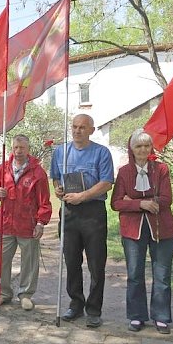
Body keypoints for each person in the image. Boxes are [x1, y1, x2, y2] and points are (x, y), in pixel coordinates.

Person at [111, 128, 173, 334]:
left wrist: (134, 200)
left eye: (146, 145)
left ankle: (161, 317)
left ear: (151, 148)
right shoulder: (124, 172)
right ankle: (137, 316)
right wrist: (142, 204)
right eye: (138, 146)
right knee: (134, 274)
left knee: (162, 274)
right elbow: (116, 203)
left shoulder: (161, 169)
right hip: (133, 231)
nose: (142, 149)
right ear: (132, 149)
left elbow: (166, 200)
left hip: (162, 229)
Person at [50, 114, 114, 328]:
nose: (77, 131)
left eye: (82, 127)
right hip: (68, 213)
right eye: (75, 127)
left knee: (96, 264)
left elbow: (106, 182)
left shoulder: (101, 152)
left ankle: (94, 309)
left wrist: (82, 196)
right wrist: (58, 189)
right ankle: (75, 304)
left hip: (92, 213)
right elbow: (56, 177)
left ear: (91, 130)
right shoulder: (60, 151)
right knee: (71, 262)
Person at [0, 134, 52, 310]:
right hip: (5, 222)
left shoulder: (38, 172)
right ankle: (3, 293)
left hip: (27, 224)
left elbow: (44, 201)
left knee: (29, 262)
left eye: (22, 148)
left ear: (28, 149)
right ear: (12, 149)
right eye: (15, 147)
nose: (18, 151)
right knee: (1, 260)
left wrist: (40, 223)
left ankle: (26, 295)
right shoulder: (3, 168)